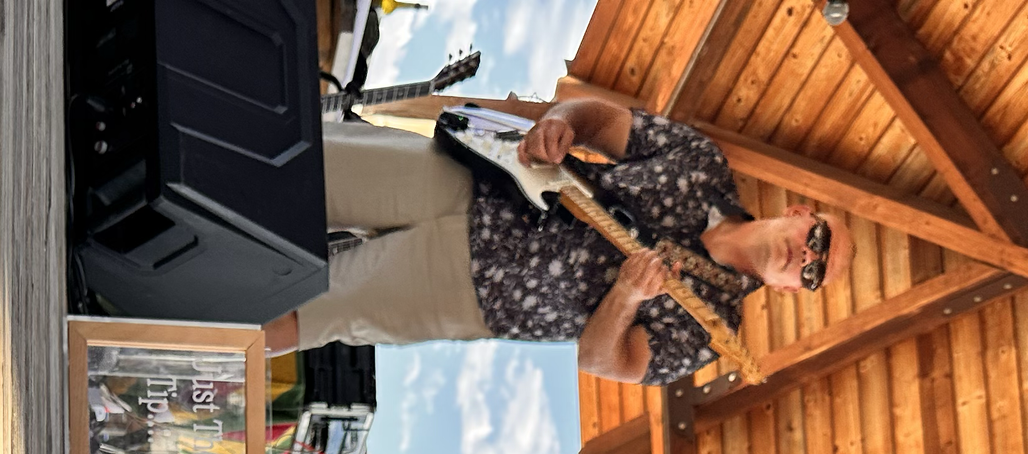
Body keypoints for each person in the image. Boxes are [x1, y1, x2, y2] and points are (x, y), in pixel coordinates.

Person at [267, 97, 849, 384]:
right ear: (799, 212)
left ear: (792, 289)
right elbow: (596, 117)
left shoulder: (709, 333)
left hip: (472, 291)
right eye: (818, 237)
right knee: (301, 167)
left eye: (814, 272)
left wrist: (625, 296)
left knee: (308, 314)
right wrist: (559, 122)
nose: (808, 256)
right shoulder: (702, 165)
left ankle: (189, 330)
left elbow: (601, 360)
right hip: (480, 180)